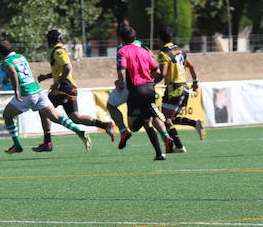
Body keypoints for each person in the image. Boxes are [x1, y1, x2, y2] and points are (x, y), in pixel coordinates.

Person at [0, 40, 91, 154]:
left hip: (26, 93)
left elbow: (12, 71)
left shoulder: (6, 62)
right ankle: (79, 131)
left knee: (7, 116)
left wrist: (16, 91)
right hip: (38, 91)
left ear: (0, 52)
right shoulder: (21, 57)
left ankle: (17, 145)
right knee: (56, 117)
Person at [33, 29, 114, 151]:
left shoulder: (58, 52)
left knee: (43, 109)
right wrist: (46, 76)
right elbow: (60, 70)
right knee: (75, 117)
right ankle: (105, 125)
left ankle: (47, 143)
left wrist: (58, 82)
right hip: (69, 88)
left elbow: (67, 67)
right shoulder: (60, 51)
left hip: (63, 88)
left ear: (50, 40)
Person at [115, 25, 170, 160]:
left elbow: (122, 71)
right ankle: (159, 153)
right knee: (147, 123)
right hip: (149, 89)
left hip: (136, 91)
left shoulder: (122, 52)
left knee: (133, 127)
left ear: (122, 39)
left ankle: (148, 113)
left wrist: (120, 85)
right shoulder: (144, 51)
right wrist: (151, 82)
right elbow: (156, 71)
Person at [156, 26, 205, 152]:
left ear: (160, 39)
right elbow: (192, 66)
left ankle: (178, 146)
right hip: (184, 87)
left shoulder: (163, 53)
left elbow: (163, 73)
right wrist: (195, 82)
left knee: (166, 121)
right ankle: (195, 124)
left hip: (174, 89)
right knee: (170, 119)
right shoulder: (180, 51)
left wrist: (151, 83)